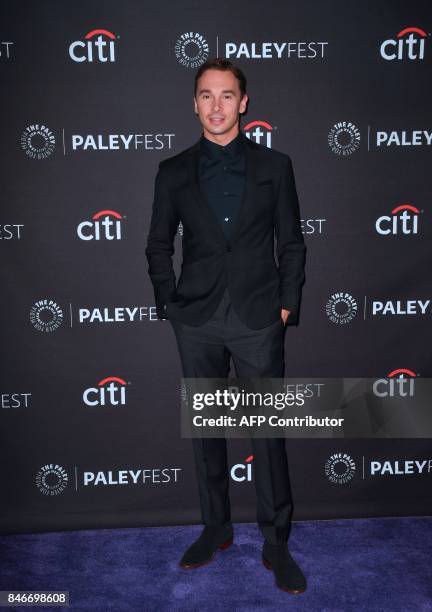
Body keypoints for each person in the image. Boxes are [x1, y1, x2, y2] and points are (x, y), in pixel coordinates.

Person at [145, 58, 306, 594]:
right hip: (197, 319)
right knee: (207, 433)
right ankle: (216, 528)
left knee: (270, 434)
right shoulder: (172, 171)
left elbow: (292, 243)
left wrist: (286, 305)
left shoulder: (276, 166)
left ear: (244, 102)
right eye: (206, 95)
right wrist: (170, 304)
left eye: (226, 95)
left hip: (260, 318)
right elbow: (158, 244)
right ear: (195, 104)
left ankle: (276, 542)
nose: (216, 105)